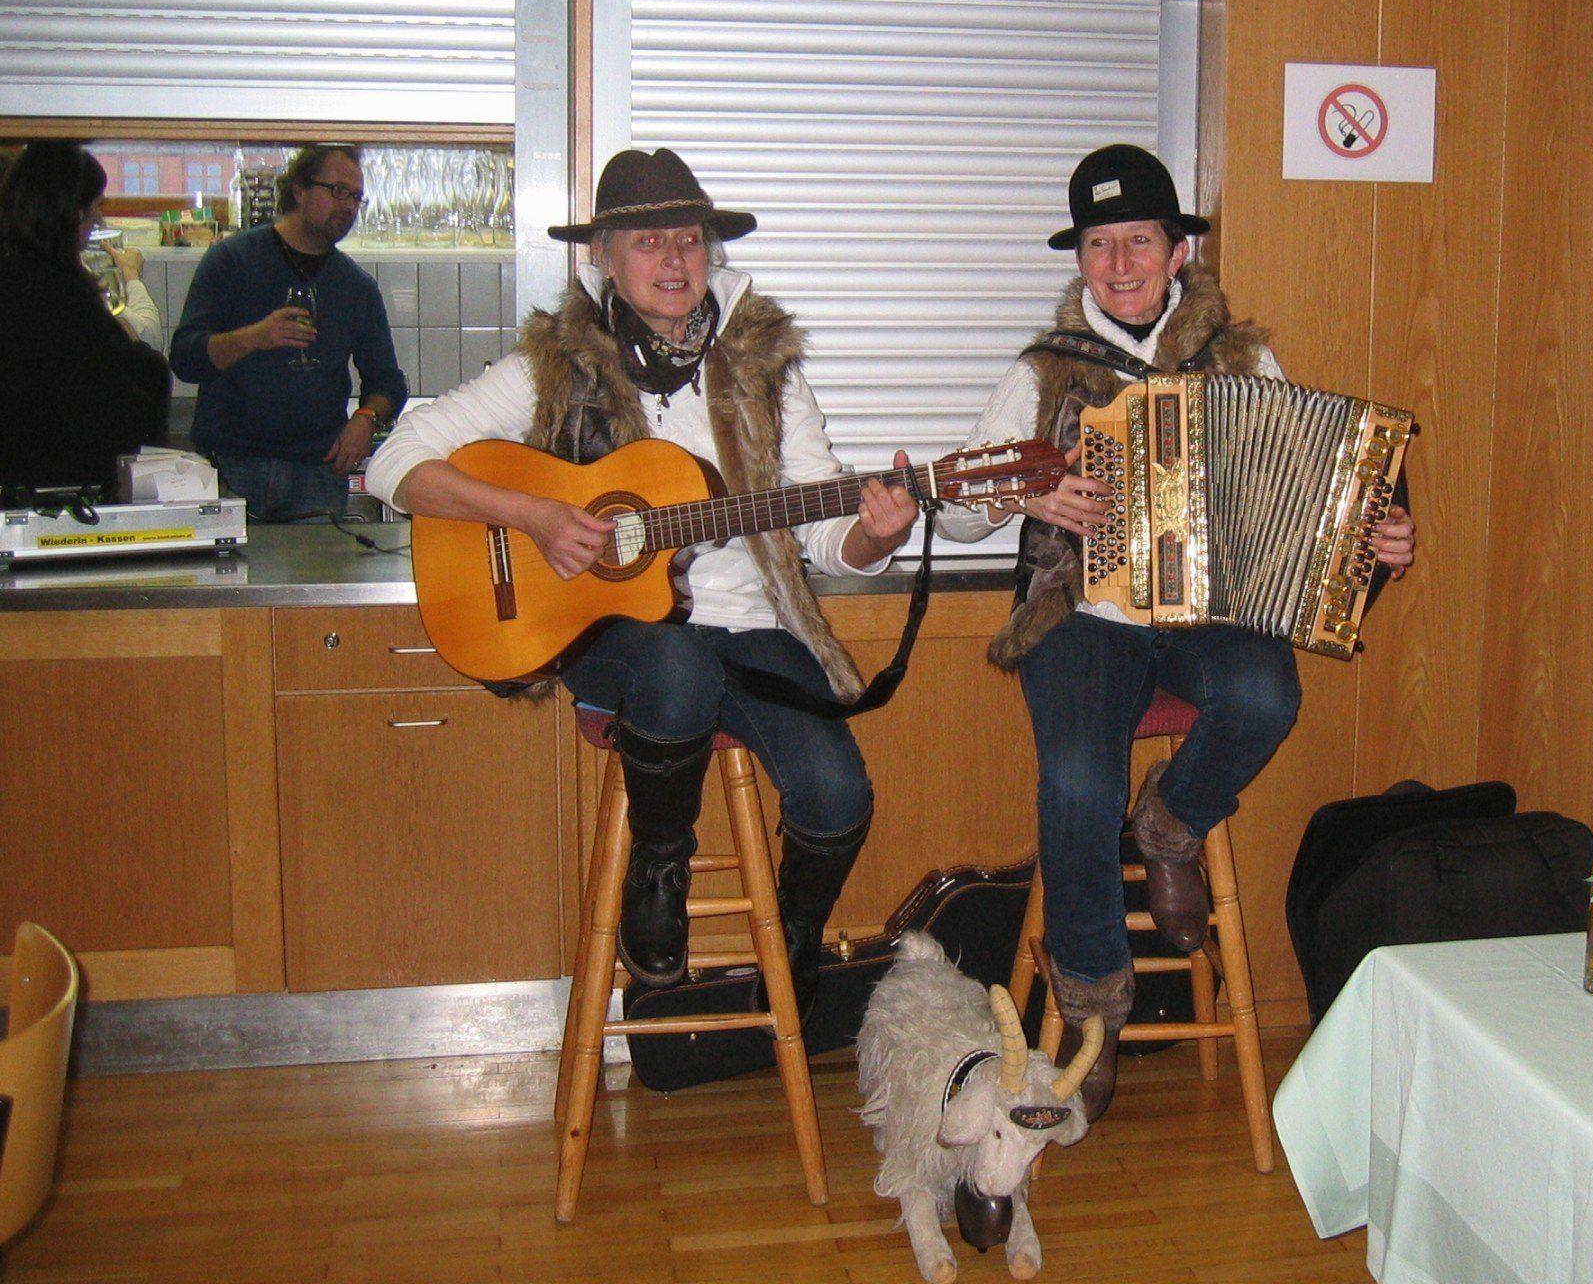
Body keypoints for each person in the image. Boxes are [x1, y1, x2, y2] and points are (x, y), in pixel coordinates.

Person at [365, 148, 918, 1015]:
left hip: (751, 630)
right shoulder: (555, 367)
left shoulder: (764, 371)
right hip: (614, 640)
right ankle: (658, 872)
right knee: (675, 666)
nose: (673, 260)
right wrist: (536, 517)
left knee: (839, 792)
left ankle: (799, 943)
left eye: (689, 240)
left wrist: (874, 536)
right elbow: (393, 463)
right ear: (603, 260)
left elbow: (822, 531)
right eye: (647, 241)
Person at [939, 144, 1416, 1119]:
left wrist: (1376, 536)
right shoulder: (1040, 372)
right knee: (1076, 778)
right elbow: (953, 513)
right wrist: (1028, 487)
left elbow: (1312, 487)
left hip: (1211, 611)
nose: (1119, 263)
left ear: (1176, 250)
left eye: (1138, 241)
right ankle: (1091, 1009)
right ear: (1079, 258)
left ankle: (1172, 822)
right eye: (1099, 244)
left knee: (1265, 694)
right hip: (1083, 616)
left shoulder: (1243, 358)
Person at [169, 144, 406, 521]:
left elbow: (388, 383)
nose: (348, 206)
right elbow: (185, 358)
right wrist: (254, 338)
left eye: (356, 197)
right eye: (337, 190)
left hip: (317, 475)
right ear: (298, 190)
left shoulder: (354, 285)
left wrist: (366, 420)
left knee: (316, 579)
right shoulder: (232, 260)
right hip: (231, 470)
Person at [0, 141, 169, 493]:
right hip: (61, 499)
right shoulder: (61, 297)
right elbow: (112, 410)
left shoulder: (20, 278)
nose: (98, 219)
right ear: (73, 211)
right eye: (95, 206)